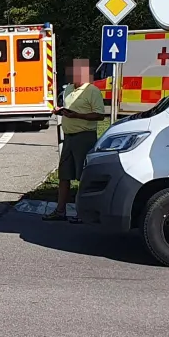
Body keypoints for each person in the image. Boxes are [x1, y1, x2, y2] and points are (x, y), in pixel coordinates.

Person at [48, 59, 107, 222]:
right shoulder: (68, 89)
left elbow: (100, 115)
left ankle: (83, 213)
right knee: (64, 175)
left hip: (84, 136)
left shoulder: (92, 91)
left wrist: (77, 115)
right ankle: (60, 211)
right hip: (68, 137)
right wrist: (61, 111)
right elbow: (70, 109)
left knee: (83, 176)